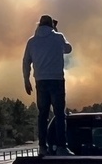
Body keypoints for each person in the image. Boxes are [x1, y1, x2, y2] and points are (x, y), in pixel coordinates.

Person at [22, 15, 72, 154]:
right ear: (51, 25)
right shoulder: (58, 37)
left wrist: (26, 80)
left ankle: (42, 147)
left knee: (42, 115)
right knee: (60, 115)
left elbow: (26, 62)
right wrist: (56, 32)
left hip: (40, 82)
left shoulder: (32, 42)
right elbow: (68, 49)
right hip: (56, 80)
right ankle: (62, 147)